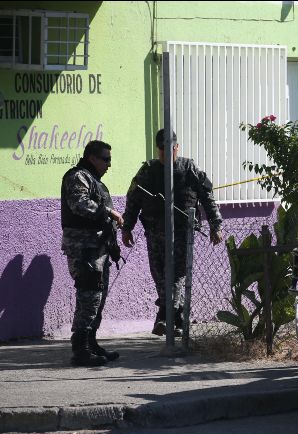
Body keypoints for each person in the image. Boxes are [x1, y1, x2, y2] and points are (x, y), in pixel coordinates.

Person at [121, 130, 223, 337]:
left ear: (177, 147)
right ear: (157, 149)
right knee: (159, 276)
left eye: (169, 149)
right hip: (155, 233)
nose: (165, 154)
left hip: (182, 233)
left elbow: (207, 196)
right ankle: (177, 319)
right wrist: (127, 227)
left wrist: (216, 225)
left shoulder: (189, 168)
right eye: (161, 150)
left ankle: (164, 316)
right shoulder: (148, 171)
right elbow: (133, 199)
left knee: (176, 275)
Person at [61, 140, 123, 366]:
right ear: (92, 158)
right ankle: (81, 350)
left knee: (98, 297)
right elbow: (79, 204)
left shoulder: (94, 180)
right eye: (105, 159)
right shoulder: (78, 177)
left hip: (98, 248)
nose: (109, 164)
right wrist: (109, 212)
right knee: (88, 296)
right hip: (84, 249)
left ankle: (91, 342)